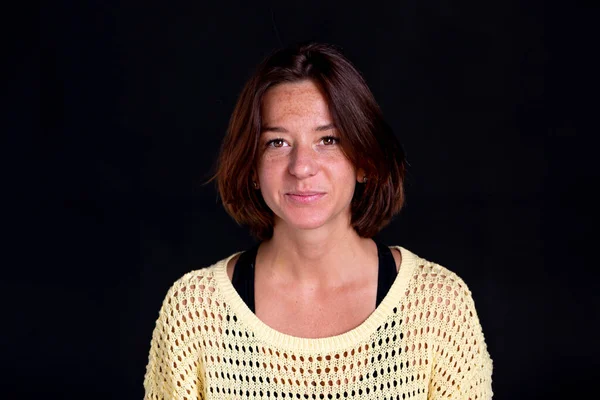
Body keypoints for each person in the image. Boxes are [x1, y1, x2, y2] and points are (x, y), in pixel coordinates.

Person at [143, 42, 493, 399]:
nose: (302, 167)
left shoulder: (436, 307)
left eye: (328, 139)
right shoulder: (195, 313)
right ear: (250, 166)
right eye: (277, 143)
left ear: (365, 161)